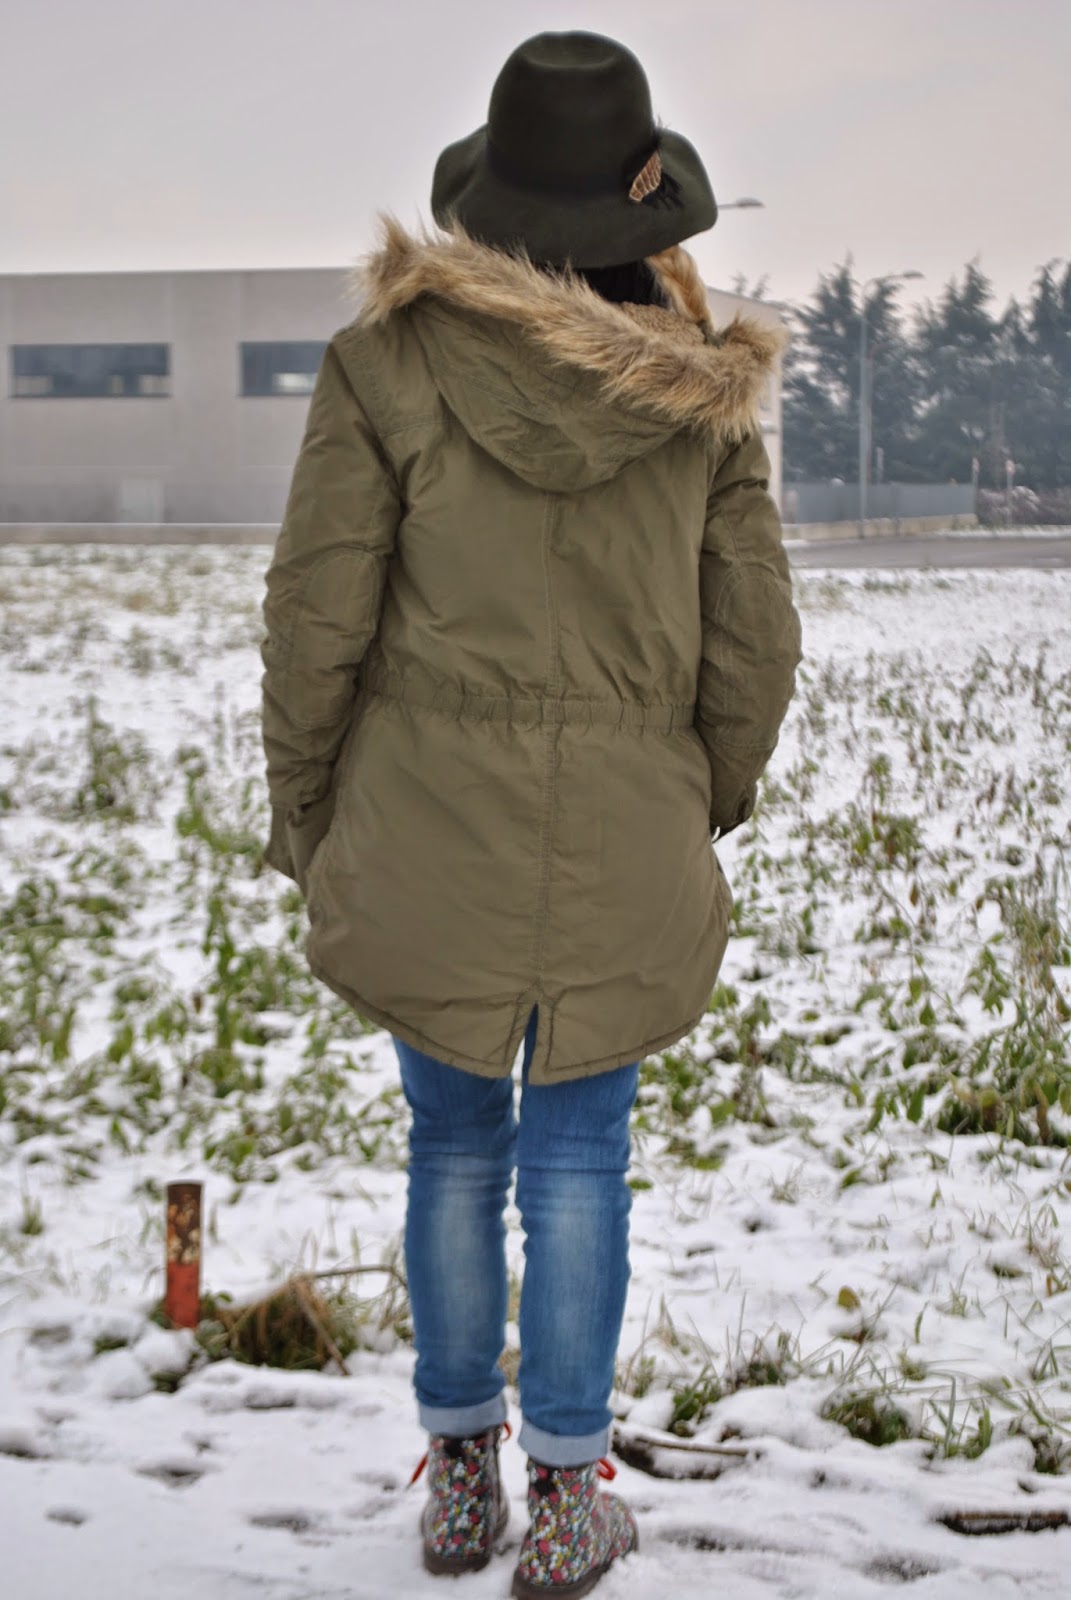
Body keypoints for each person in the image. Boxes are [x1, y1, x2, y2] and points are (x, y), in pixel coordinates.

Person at [260, 30, 801, 1598]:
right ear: (647, 213)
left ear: (489, 201)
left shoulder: (385, 365)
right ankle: (569, 1495)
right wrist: (695, 796)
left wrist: (315, 811)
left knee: (449, 1146)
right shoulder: (702, 401)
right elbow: (754, 642)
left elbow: (314, 615)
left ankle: (457, 1482)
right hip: (625, 826)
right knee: (580, 1159)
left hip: (427, 823)